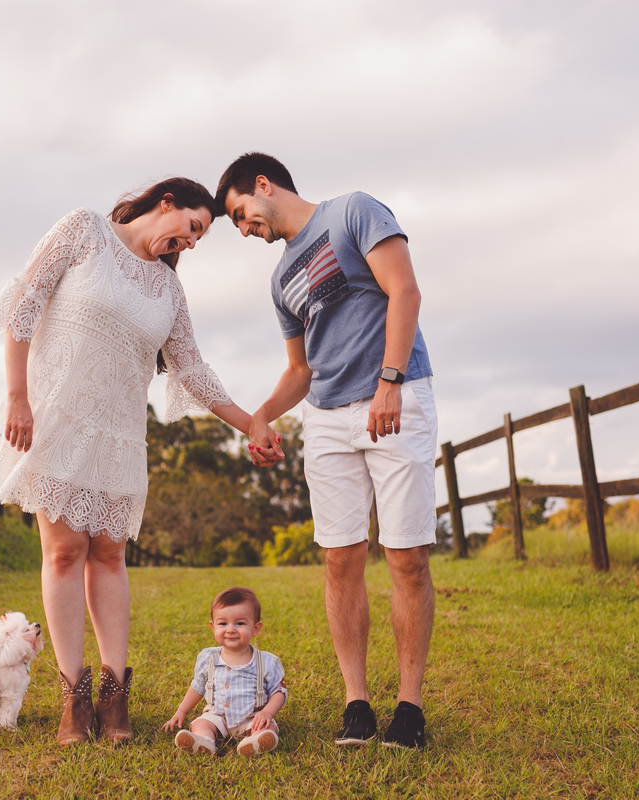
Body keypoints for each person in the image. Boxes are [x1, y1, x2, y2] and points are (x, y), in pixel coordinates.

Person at [0, 178, 252, 746]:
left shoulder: (169, 292)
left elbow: (193, 369)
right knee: (63, 552)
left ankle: (114, 694)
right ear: (167, 203)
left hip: (121, 437)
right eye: (194, 228)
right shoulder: (83, 230)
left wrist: (252, 423)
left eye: (199, 239)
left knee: (108, 554)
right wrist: (16, 395)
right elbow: (24, 305)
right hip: (55, 417)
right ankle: (74, 699)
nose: (192, 244)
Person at [215, 153, 437, 750]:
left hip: (396, 397)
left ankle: (409, 709)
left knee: (406, 557)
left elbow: (405, 291)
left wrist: (389, 380)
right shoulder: (278, 278)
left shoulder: (353, 212)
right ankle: (357, 704)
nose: (243, 229)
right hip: (328, 420)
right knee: (341, 559)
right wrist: (261, 416)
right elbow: (300, 369)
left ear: (263, 185)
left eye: (240, 214)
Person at [162, 586, 287, 756]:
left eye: (240, 623)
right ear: (213, 627)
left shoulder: (266, 662)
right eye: (223, 623)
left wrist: (267, 712)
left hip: (252, 717)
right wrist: (181, 711)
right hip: (217, 716)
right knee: (200, 724)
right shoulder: (209, 658)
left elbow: (279, 692)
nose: (230, 629)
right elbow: (197, 687)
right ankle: (204, 742)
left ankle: (255, 741)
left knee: (268, 726)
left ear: (256, 628)